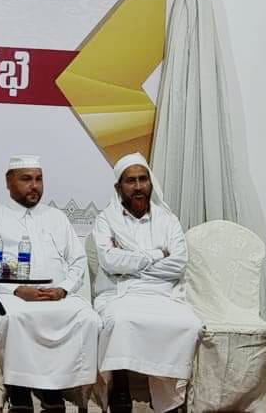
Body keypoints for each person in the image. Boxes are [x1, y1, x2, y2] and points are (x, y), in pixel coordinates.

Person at [0, 155, 99, 413]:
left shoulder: (57, 217)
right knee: (14, 318)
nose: (34, 186)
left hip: (56, 295)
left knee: (88, 319)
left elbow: (77, 260)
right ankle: (18, 391)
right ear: (9, 182)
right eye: (26, 179)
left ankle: (55, 389)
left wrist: (63, 288)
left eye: (39, 179)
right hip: (11, 296)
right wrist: (18, 290)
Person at [92, 153, 201, 413]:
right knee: (120, 321)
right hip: (121, 292)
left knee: (189, 324)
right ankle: (120, 388)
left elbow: (178, 263)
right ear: (119, 186)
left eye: (143, 179)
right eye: (131, 181)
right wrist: (156, 254)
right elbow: (110, 261)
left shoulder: (168, 220)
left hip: (165, 294)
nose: (138, 186)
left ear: (151, 183)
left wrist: (131, 264)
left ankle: (167, 398)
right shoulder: (106, 219)